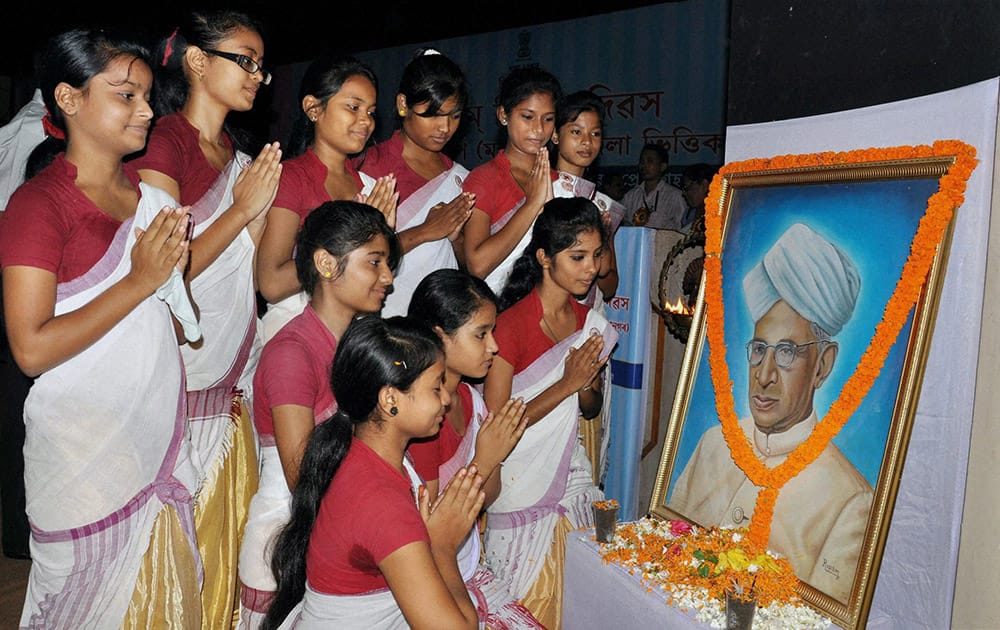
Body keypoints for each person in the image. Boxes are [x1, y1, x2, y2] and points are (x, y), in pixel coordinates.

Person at [0, 29, 202, 627]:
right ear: (68, 97)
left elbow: (163, 320)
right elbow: (31, 349)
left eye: (146, 95)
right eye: (125, 95)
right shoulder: (38, 205)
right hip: (83, 455)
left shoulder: (146, 197)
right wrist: (139, 280)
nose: (146, 110)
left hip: (147, 432)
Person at [132, 11, 283, 628]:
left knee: (222, 532)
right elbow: (158, 274)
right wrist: (242, 208)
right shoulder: (162, 142)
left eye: (260, 65)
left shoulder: (241, 157)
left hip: (228, 375)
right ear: (198, 61)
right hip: (174, 369)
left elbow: (261, 274)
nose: (257, 76)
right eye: (243, 60)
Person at [668, 222, 874, 603]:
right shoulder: (715, 444)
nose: (763, 375)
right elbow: (665, 545)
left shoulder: (850, 501)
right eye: (759, 349)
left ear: (823, 365)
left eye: (786, 352)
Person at [262, 316, 483, 629]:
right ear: (390, 399)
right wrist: (442, 548)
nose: (447, 399)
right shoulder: (381, 501)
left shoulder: (363, 453)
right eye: (436, 388)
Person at [237, 201, 399, 628]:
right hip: (290, 539)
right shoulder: (293, 353)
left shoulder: (361, 344)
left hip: (348, 530)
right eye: (375, 263)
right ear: (327, 264)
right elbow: (301, 474)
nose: (388, 278)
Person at [484, 197, 617, 628]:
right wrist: (567, 383)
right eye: (577, 256)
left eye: (597, 255)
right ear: (544, 258)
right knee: (529, 603)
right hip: (521, 480)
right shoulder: (509, 326)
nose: (591, 268)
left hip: (571, 474)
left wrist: (585, 385)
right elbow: (497, 422)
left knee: (583, 595)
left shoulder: (588, 321)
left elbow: (591, 408)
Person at [407, 269, 543, 628]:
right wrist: (485, 458)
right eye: (481, 334)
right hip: (431, 579)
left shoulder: (470, 399)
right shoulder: (421, 424)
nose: (494, 346)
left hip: (464, 566)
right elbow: (432, 529)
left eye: (492, 331)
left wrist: (491, 458)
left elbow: (490, 493)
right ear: (439, 336)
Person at [256, 53, 397, 341]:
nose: (365, 121)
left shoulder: (369, 186)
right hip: (296, 333)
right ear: (313, 108)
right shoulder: (291, 179)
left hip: (355, 335)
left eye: (370, 112)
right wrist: (353, 242)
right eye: (353, 107)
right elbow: (270, 282)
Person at [356, 48, 476, 317]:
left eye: (454, 116)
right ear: (403, 104)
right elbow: (347, 259)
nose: (444, 127)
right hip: (376, 322)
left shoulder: (462, 179)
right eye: (432, 114)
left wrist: (455, 239)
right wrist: (426, 230)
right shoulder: (367, 165)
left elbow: (471, 267)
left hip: (438, 324)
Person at [461, 65, 561, 294]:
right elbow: (477, 266)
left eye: (548, 119)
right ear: (503, 115)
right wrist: (532, 204)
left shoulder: (560, 182)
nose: (538, 129)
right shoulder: (484, 179)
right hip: (501, 311)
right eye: (527, 117)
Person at [0, 87, 46, 561]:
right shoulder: (34, 130)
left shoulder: (18, 127)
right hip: (28, 270)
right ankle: (21, 532)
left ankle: (20, 531)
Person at [551, 89, 625, 309]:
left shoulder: (602, 204)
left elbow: (610, 287)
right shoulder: (540, 193)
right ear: (555, 135)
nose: (587, 142)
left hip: (589, 324)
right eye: (576, 132)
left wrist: (600, 249)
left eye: (595, 134)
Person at [621, 142, 688, 230]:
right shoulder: (630, 196)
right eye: (642, 161)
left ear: (662, 167)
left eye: (650, 161)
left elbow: (684, 229)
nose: (644, 166)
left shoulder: (675, 196)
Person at [679, 162, 718, 239]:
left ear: (704, 185)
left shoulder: (718, 214)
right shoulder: (689, 213)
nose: (683, 193)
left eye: (687, 187)